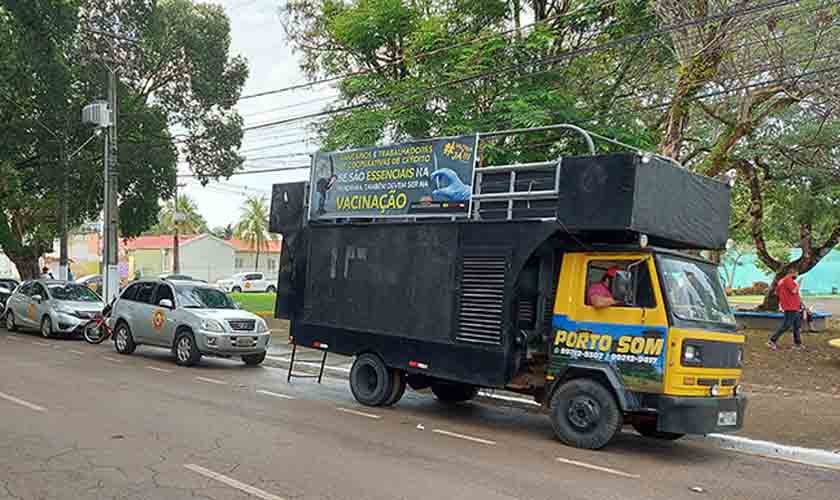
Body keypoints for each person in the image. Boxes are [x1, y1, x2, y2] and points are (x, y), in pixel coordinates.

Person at [768, 270, 804, 350]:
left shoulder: (781, 281)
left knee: (796, 325)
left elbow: (776, 293)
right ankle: (772, 340)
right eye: (797, 273)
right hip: (791, 307)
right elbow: (794, 291)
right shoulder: (788, 279)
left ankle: (797, 343)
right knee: (786, 325)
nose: (797, 275)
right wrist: (799, 283)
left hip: (793, 306)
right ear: (792, 273)